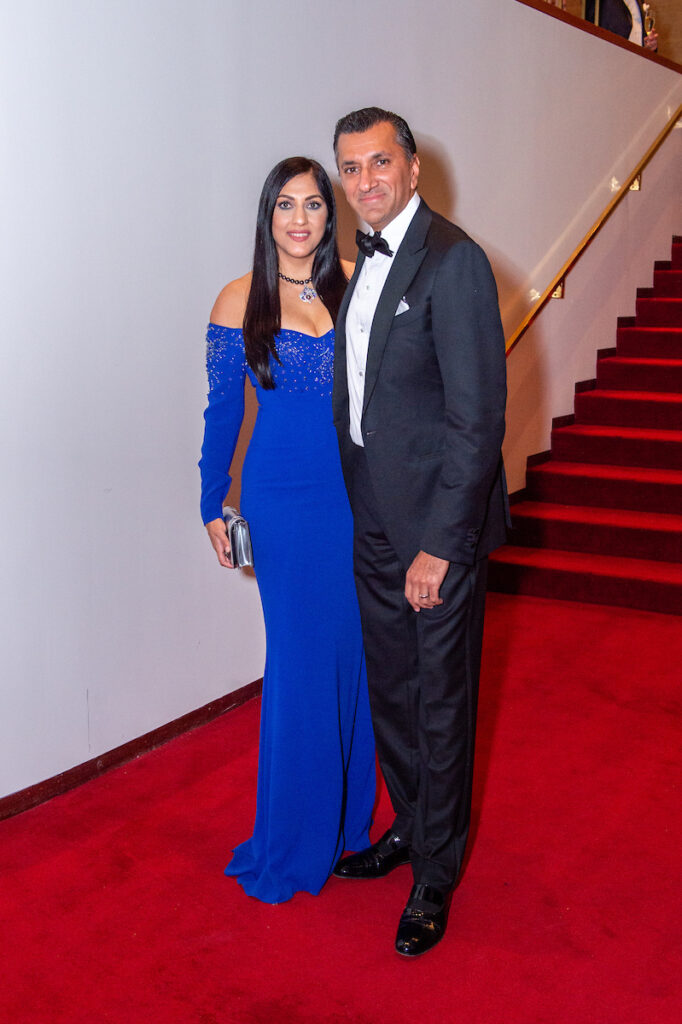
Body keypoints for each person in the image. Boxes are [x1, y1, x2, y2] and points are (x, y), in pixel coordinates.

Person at [330, 108, 509, 957]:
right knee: (392, 688)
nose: (365, 181)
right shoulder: (355, 263)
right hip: (371, 517)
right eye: (351, 168)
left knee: (440, 702)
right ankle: (410, 824)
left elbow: (478, 423)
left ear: (412, 168)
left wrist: (443, 541)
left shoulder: (455, 261)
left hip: (435, 528)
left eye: (379, 162)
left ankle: (436, 874)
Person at [199, 156, 376, 904]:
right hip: (282, 499)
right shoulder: (239, 298)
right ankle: (296, 837)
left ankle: (348, 826)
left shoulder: (356, 280)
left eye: (312, 205)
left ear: (328, 215)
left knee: (356, 658)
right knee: (303, 663)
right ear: (267, 216)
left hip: (355, 495)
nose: (299, 219)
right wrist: (212, 502)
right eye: (285, 206)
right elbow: (222, 413)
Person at [585, 0, 659, 51]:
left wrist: (648, 46)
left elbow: (639, 34)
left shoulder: (639, 2)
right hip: (610, 58)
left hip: (636, 65)